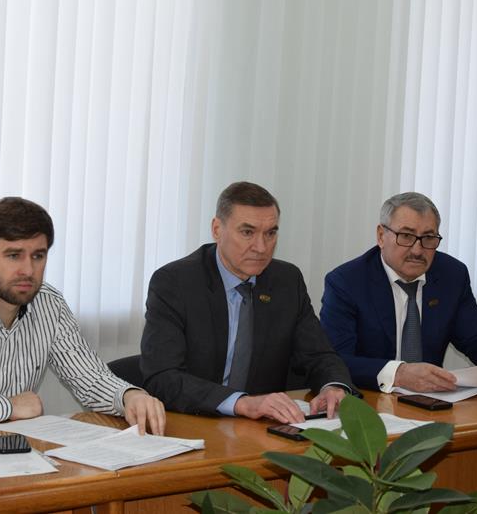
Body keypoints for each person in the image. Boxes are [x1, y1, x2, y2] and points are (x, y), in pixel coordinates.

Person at [0, 197, 166, 436]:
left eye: (38, 256)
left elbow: (90, 378)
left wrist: (129, 396)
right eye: (14, 255)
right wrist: (8, 406)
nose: (28, 270)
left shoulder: (50, 304)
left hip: (9, 453)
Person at [140, 181, 355, 424]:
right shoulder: (175, 282)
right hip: (195, 421)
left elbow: (318, 354)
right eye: (247, 232)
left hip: (261, 428)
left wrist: (333, 386)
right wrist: (241, 403)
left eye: (270, 233)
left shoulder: (286, 280)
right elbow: (162, 377)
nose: (261, 247)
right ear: (217, 229)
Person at [320, 192, 477, 392]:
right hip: (371, 399)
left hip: (431, 401)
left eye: (428, 238)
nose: (417, 250)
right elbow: (335, 360)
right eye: (406, 236)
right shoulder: (346, 282)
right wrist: (398, 373)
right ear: (381, 236)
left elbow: (476, 337)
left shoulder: (451, 275)